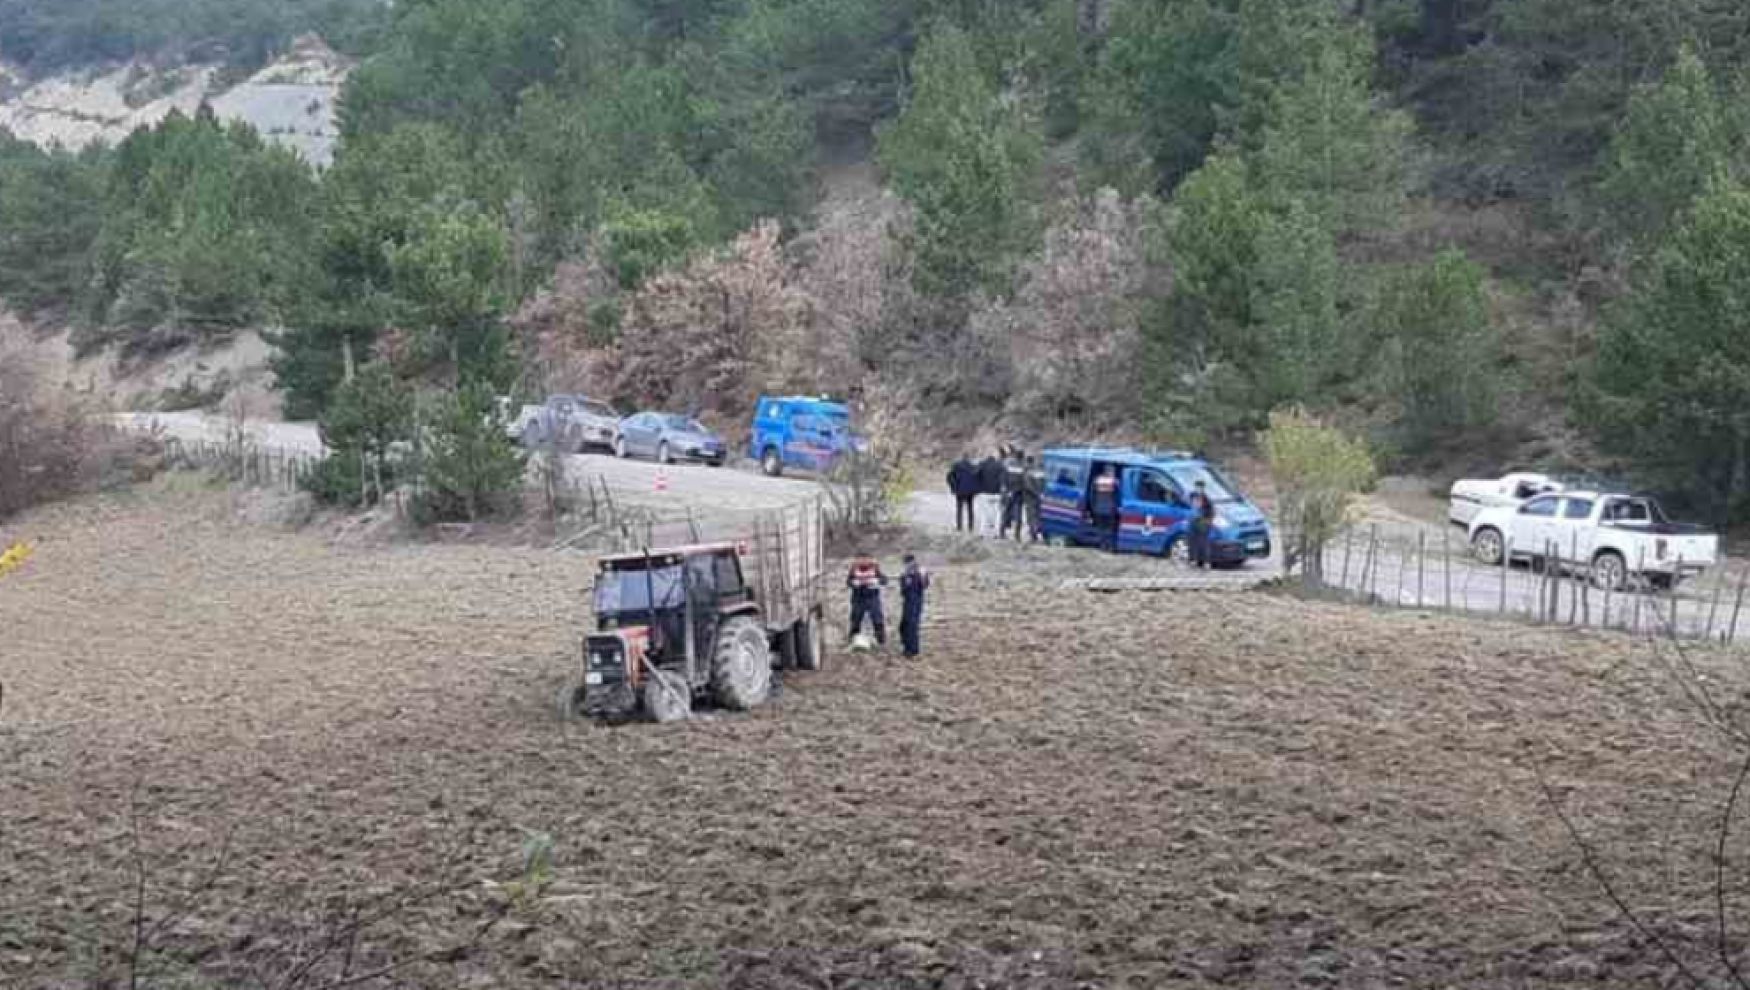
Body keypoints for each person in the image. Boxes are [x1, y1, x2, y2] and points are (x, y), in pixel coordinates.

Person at [845, 553, 889, 647]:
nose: (864, 561)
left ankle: (881, 641)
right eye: (861, 559)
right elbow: (848, 582)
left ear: (870, 559)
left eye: (866, 559)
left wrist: (876, 581)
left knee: (877, 618)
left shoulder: (875, 568)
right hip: (858, 598)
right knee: (856, 619)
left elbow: (884, 580)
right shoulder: (854, 568)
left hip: (872, 597)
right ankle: (853, 639)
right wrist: (854, 583)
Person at [899, 553, 931, 659]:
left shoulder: (920, 572)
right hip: (907, 601)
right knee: (904, 625)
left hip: (916, 601)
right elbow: (903, 590)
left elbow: (925, 585)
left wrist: (920, 575)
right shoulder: (905, 573)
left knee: (912, 625)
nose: (909, 565)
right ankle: (906, 647)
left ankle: (912, 651)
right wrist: (906, 579)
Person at [947, 454, 979, 533]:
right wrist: (976, 489)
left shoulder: (956, 465)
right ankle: (970, 527)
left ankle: (959, 526)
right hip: (970, 491)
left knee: (959, 509)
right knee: (970, 509)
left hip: (960, 490)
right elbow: (977, 478)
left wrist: (953, 487)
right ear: (968, 458)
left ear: (962, 458)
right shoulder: (973, 466)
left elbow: (949, 477)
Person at [1090, 464, 1119, 550]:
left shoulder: (1097, 480)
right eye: (1112, 471)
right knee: (1109, 528)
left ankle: (1101, 544)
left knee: (1100, 527)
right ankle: (1108, 545)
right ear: (1110, 471)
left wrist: (1092, 506)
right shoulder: (1114, 481)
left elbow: (1092, 494)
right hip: (1110, 508)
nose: (1113, 473)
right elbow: (1117, 495)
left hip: (1098, 507)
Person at [1188, 479, 1216, 569]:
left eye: (1200, 487)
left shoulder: (1206, 499)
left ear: (1203, 488)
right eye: (1197, 487)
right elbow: (1189, 506)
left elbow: (1211, 512)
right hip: (1193, 521)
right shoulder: (1192, 495)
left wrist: (1207, 520)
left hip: (1202, 522)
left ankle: (1206, 562)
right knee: (1192, 542)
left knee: (1203, 543)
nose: (1198, 489)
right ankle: (1193, 560)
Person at [977, 451, 1005, 538]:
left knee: (984, 513)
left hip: (985, 492)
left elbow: (975, 474)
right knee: (998, 513)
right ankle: (996, 533)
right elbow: (1003, 478)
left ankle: (982, 532)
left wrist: (979, 485)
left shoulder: (982, 464)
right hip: (997, 493)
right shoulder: (1000, 465)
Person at [1001, 448, 1027, 541]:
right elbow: (1025, 482)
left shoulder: (1009, 464)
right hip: (1018, 494)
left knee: (1006, 513)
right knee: (1018, 516)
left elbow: (1004, 477)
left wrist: (1005, 489)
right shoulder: (1024, 466)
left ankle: (1002, 532)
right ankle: (1017, 535)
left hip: (1009, 492)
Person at [1022, 455, 1044, 542]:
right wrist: (1041, 494)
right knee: (1039, 515)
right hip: (1040, 497)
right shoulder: (1041, 472)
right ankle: (1040, 532)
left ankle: (1033, 535)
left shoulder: (1028, 472)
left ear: (1027, 462)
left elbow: (1028, 486)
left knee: (1031, 516)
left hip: (1030, 497)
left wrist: (1036, 494)